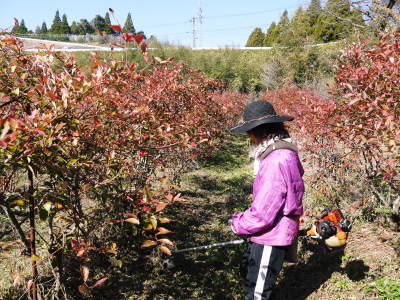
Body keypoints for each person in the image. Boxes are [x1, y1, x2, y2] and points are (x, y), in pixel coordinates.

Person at [229, 100, 304, 300]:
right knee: (251, 278)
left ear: (258, 132)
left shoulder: (276, 160)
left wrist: (238, 223)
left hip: (271, 236)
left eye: (249, 132)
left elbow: (264, 212)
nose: (249, 137)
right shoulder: (284, 151)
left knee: (257, 293)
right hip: (272, 231)